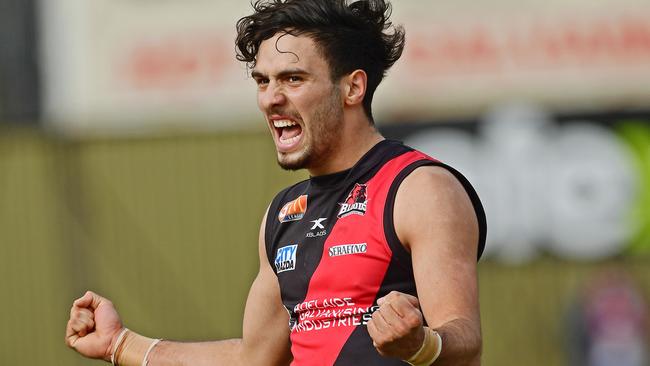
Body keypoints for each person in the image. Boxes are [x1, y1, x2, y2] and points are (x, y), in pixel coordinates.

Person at [65, 0, 487, 365]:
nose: (270, 98)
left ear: (353, 87)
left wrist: (421, 344)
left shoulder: (419, 189)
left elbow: (466, 343)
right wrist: (121, 344)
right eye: (263, 81)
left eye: (293, 79)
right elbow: (255, 358)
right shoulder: (283, 213)